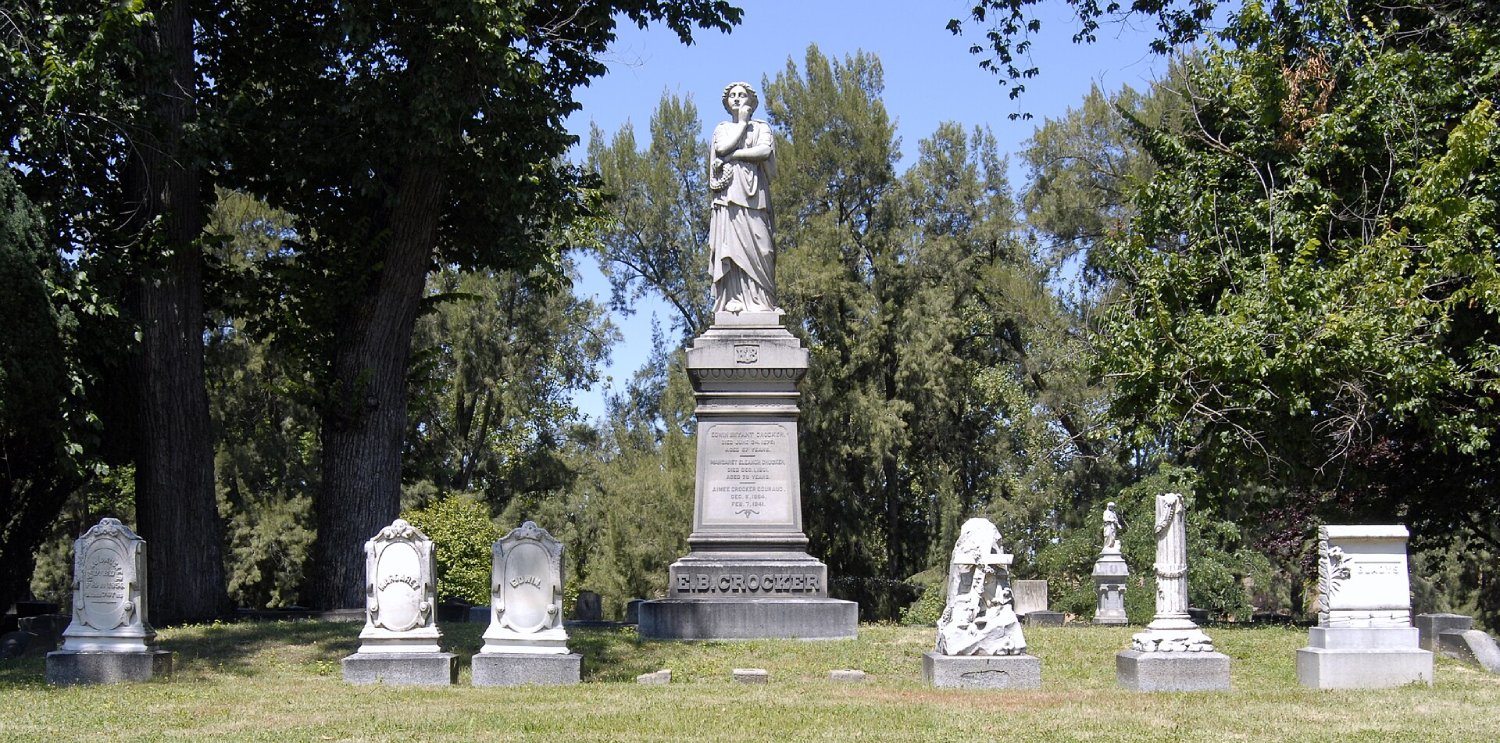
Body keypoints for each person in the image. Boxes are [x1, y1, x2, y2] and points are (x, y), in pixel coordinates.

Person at [709, 81, 779, 315]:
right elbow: (721, 149)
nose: (737, 99)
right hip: (730, 196)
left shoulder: (762, 127)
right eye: (733, 96)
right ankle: (734, 297)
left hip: (755, 197)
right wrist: (741, 123)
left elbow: (764, 151)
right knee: (733, 246)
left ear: (752, 101)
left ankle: (763, 303)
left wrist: (735, 155)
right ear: (727, 103)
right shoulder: (722, 129)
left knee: (764, 248)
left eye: (742, 95)